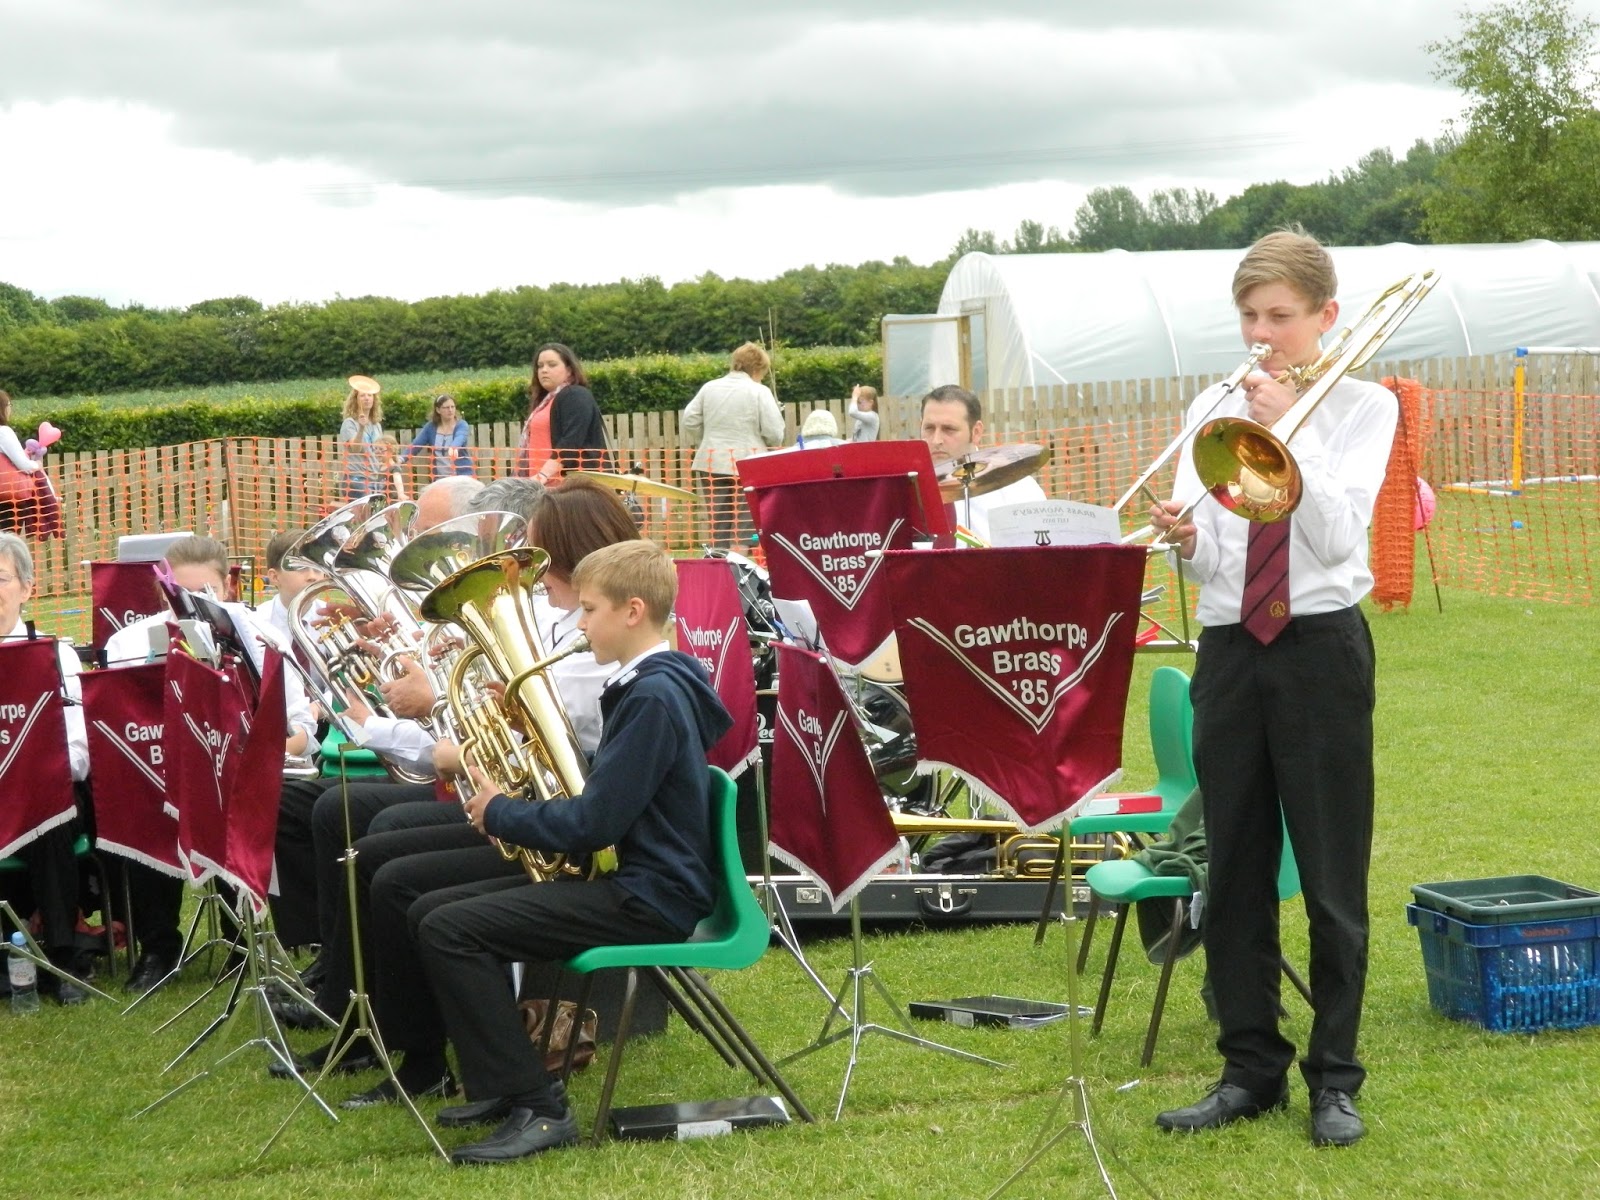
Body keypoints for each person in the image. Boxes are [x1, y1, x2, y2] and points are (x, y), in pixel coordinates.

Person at [1148, 228, 1393, 1149]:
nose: (1261, 335)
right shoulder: (1212, 405)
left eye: (1281, 317)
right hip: (1229, 646)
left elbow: (1333, 539)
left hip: (1321, 644)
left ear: (1325, 318)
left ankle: (1336, 1077)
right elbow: (1218, 552)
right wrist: (1187, 533)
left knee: (1332, 872)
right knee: (1236, 866)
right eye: (1249, 316)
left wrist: (1289, 425)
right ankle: (1249, 1068)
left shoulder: (1365, 408)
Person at [278, 478, 639, 1092]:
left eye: (539, 555)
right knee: (377, 850)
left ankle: (446, 1064)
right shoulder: (573, 632)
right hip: (541, 815)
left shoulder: (606, 657)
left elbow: (571, 763)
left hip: (569, 837)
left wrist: (460, 719)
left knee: (392, 861)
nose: (534, 572)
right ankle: (390, 1034)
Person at [411, 539, 732, 1163]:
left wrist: (502, 810)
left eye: (588, 611)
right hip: (639, 883)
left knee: (452, 930)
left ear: (632, 610)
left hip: (648, 897)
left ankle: (541, 1107)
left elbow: (594, 822)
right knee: (432, 914)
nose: (579, 625)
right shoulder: (650, 686)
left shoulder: (653, 697)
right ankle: (504, 1086)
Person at [103, 535, 318, 992]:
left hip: (241, 773)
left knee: (230, 803)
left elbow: (300, 730)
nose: (196, 605)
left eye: (207, 594)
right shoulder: (129, 642)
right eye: (183, 595)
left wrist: (259, 755)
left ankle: (244, 944)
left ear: (228, 588)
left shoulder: (260, 635)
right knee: (141, 803)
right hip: (165, 771)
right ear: (165, 594)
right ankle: (159, 947)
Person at [0, 532, 93, 1004]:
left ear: (27, 588)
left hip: (42, 789)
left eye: (0, 578)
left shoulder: (56, 654)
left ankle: (62, 958)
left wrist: (43, 772)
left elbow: (80, 747)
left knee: (51, 816)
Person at [681, 342, 785, 551]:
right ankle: (740, 577)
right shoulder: (759, 391)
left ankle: (720, 574)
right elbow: (775, 434)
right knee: (743, 529)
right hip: (748, 465)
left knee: (718, 527)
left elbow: (689, 420)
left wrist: (709, 437)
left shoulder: (709, 387)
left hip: (711, 462)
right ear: (756, 369)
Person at [919, 384, 1045, 543]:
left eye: (949, 429)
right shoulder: (908, 489)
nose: (936, 440)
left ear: (976, 432)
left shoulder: (1017, 488)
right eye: (929, 428)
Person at [516, 343, 608, 483]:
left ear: (569, 370)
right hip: (544, 486)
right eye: (540, 366)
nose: (544, 370)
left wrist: (543, 475)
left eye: (552, 365)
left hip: (573, 489)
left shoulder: (575, 394)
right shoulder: (545, 402)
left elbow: (571, 441)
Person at [0, 390, 61, 539]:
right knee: (6, 545)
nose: (10, 408)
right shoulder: (3, 432)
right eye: (8, 404)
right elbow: (24, 465)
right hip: (7, 500)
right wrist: (36, 464)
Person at [399, 394, 474, 481]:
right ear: (438, 410)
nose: (450, 410)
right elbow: (416, 445)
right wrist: (401, 458)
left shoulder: (462, 425)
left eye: (452, 407)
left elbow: (460, 436)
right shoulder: (430, 427)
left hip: (462, 478)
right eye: (446, 407)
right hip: (440, 480)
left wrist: (454, 447)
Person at [339, 376, 385, 500]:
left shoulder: (376, 425)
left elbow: (378, 451)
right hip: (356, 478)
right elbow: (354, 448)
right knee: (368, 509)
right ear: (355, 400)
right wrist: (361, 428)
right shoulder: (349, 423)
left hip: (374, 478)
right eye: (362, 395)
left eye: (370, 395)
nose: (366, 398)